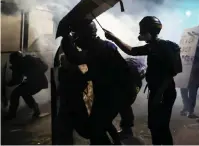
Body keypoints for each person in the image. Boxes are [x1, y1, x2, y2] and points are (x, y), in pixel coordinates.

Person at [57, 17, 137, 145]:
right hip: (114, 92)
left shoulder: (97, 49)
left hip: (113, 93)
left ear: (85, 35)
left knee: (96, 128)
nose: (76, 39)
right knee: (100, 124)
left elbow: (76, 58)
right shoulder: (104, 45)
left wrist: (66, 40)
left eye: (77, 35)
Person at [104, 16, 182, 145]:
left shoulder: (158, 47)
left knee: (159, 126)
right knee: (157, 125)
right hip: (161, 91)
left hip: (162, 92)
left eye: (142, 32)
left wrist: (159, 94)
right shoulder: (157, 46)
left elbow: (170, 74)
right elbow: (132, 51)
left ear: (148, 32)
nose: (140, 34)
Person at [4, 51, 48, 120]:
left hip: (37, 82)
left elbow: (17, 80)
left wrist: (7, 83)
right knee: (24, 93)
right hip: (38, 82)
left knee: (16, 93)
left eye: (12, 61)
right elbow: (18, 80)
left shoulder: (26, 61)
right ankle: (35, 108)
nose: (12, 62)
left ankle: (12, 114)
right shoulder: (29, 59)